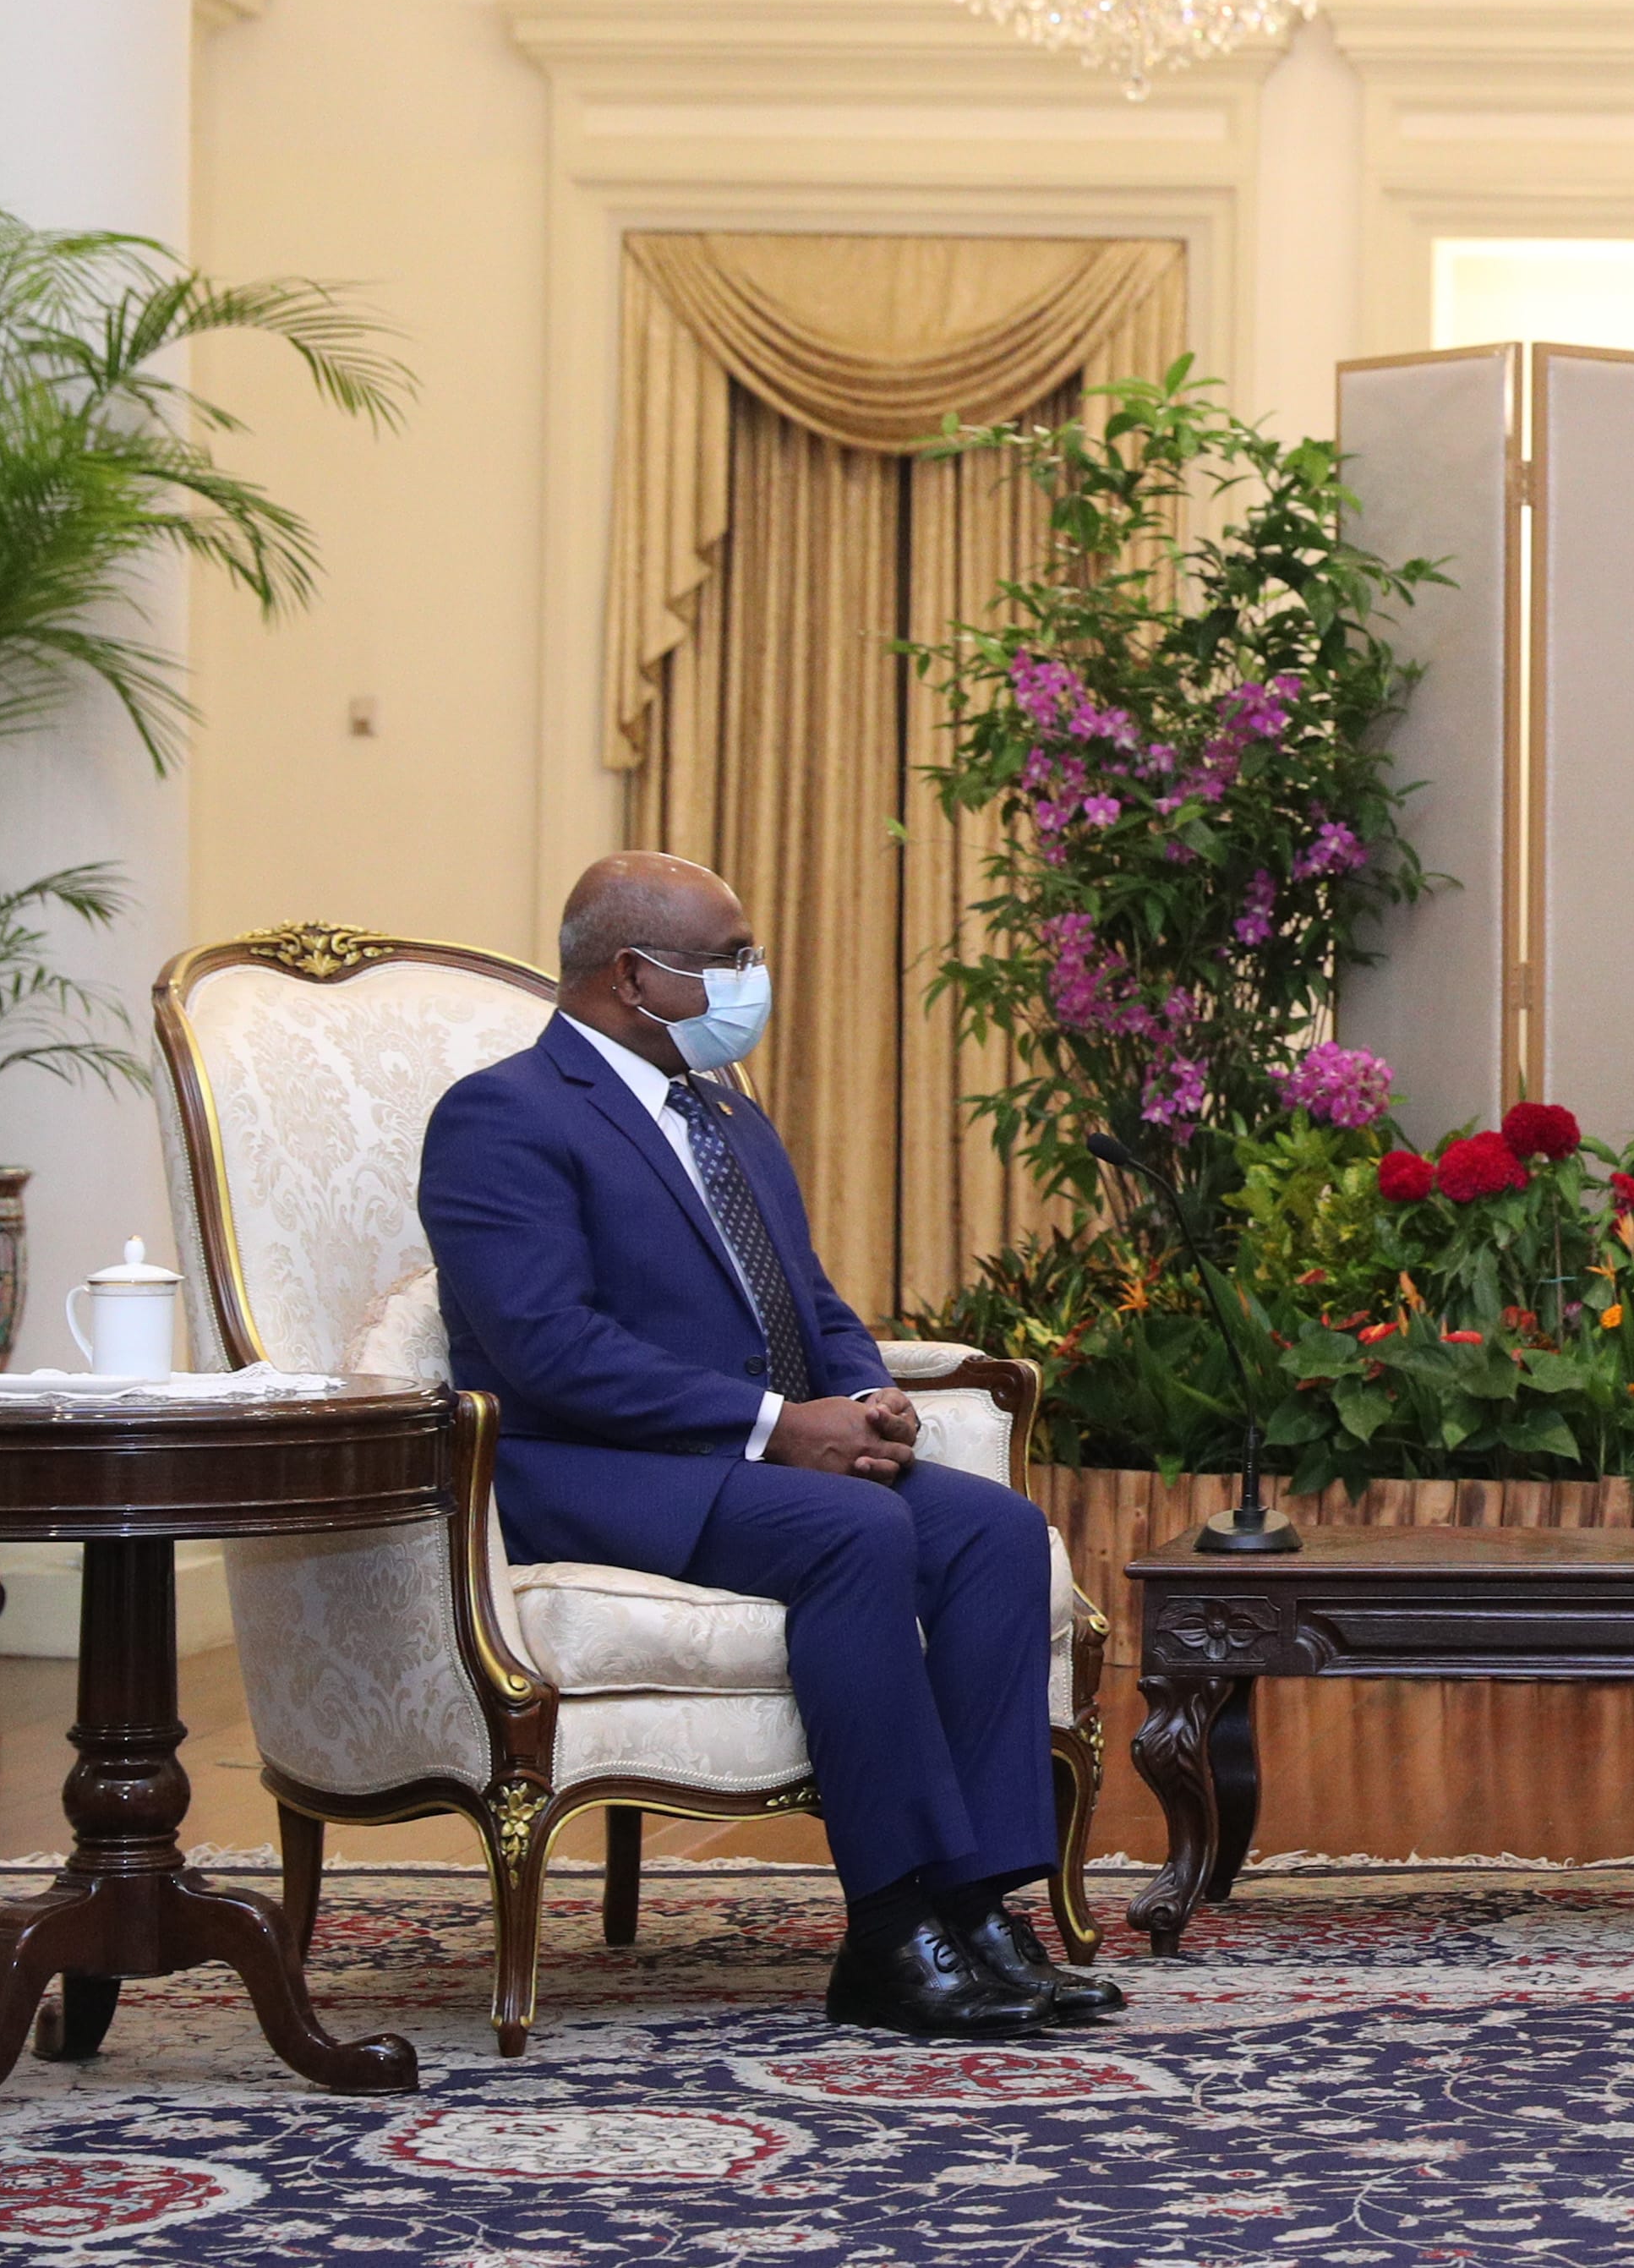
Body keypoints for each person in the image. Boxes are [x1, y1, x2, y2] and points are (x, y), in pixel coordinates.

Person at [418, 851, 1118, 2039]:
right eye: (731, 956)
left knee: (996, 1530)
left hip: (751, 1459)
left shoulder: (725, 1111)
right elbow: (545, 1345)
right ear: (635, 974)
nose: (754, 978)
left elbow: (812, 1301)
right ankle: (890, 1931)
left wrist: (862, 1394)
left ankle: (977, 1900)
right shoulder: (504, 1114)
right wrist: (778, 1429)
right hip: (589, 1473)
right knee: (854, 1527)